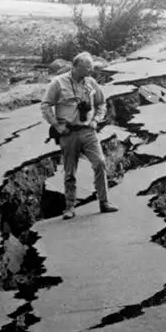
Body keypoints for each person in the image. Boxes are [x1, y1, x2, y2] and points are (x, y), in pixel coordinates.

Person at [41, 52, 118, 219]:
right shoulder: (58, 83)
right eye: (87, 67)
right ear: (76, 66)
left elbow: (101, 103)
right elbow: (46, 105)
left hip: (88, 131)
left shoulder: (91, 83)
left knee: (100, 163)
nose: (90, 70)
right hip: (69, 133)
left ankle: (104, 202)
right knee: (70, 172)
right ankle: (69, 207)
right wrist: (57, 126)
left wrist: (97, 120)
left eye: (91, 66)